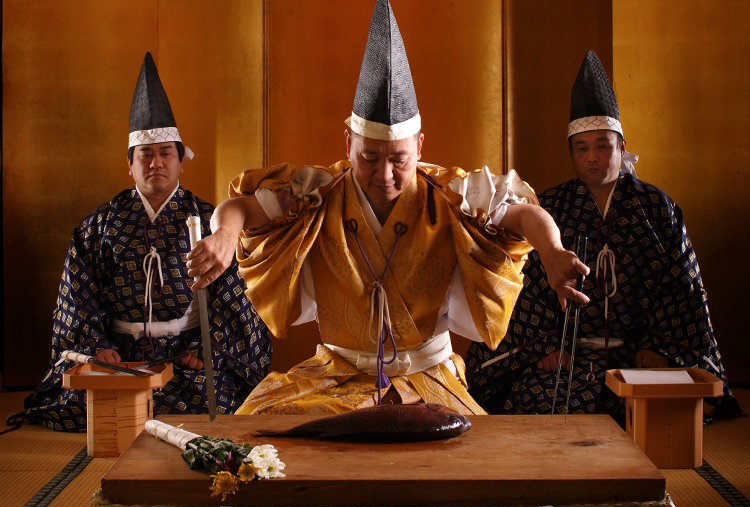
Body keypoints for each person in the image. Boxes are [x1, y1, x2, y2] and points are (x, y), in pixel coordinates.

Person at [185, 0, 587, 416]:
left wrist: (553, 251)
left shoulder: (451, 194)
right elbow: (240, 208)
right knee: (263, 435)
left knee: (458, 464)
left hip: (428, 377)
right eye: (369, 158)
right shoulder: (315, 192)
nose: (385, 175)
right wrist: (225, 236)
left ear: (419, 147)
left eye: (399, 159)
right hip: (335, 375)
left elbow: (524, 214)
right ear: (348, 144)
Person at [465, 51, 742, 422]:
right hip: (566, 354)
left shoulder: (657, 209)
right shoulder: (551, 205)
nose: (593, 157)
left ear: (622, 147)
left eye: (603, 145)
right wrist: (543, 346)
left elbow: (681, 284)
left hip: (637, 356)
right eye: (583, 148)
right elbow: (522, 281)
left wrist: (660, 347)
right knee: (534, 403)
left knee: (656, 412)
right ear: (572, 154)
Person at [21, 53, 272, 432]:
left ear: (180, 162)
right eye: (146, 155)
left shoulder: (209, 221)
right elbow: (77, 296)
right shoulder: (98, 226)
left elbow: (237, 293)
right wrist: (94, 346)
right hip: (118, 358)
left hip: (184, 359)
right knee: (77, 402)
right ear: (130, 164)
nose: (156, 163)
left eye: (165, 154)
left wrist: (209, 347)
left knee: (217, 400)